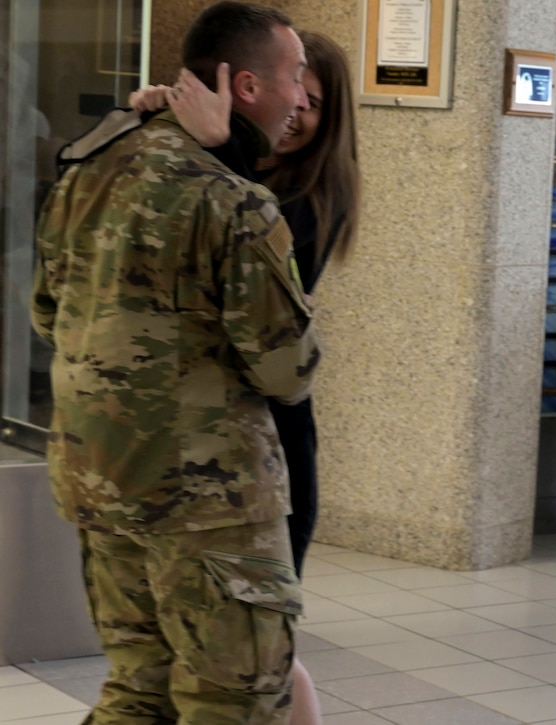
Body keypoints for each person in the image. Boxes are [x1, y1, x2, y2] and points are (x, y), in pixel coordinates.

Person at [30, 3, 317, 723]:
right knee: (232, 702)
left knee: (137, 691)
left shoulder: (85, 172)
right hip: (209, 502)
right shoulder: (235, 201)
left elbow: (46, 313)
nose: (302, 99)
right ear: (245, 86)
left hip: (101, 479)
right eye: (296, 78)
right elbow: (288, 370)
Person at [130, 28, 360, 725]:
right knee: (223, 654)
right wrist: (159, 126)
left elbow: (241, 231)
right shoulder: (231, 170)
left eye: (312, 100)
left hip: (270, 455)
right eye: (292, 91)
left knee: (259, 654)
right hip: (201, 454)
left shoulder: (307, 196)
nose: (296, 112)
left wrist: (211, 143)